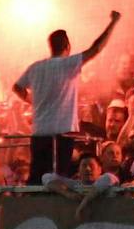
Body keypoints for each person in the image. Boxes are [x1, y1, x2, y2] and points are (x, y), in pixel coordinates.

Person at [12, 12, 121, 180]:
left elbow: (17, 87)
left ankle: (33, 203)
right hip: (62, 133)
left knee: (38, 176)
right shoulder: (68, 64)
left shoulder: (36, 67)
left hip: (39, 132)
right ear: (67, 46)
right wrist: (113, 22)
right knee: (59, 176)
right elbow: (96, 48)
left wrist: (32, 100)